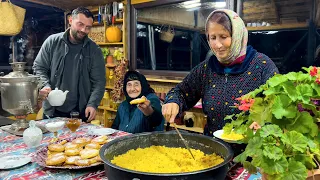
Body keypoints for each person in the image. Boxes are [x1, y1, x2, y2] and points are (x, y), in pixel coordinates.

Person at [162, 9, 279, 136]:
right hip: (215, 149)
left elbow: (278, 105)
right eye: (212, 37)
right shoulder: (206, 69)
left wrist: (264, 123)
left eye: (223, 37)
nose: (217, 45)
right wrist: (172, 102)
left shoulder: (262, 66)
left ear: (237, 35)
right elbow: (181, 92)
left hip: (250, 150)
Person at [33, 7, 106, 122]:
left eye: (88, 27)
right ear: (70, 20)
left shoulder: (94, 50)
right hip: (52, 111)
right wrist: (45, 85)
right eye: (80, 24)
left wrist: (93, 104)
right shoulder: (52, 42)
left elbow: (99, 82)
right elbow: (39, 67)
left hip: (80, 113)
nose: (83, 30)